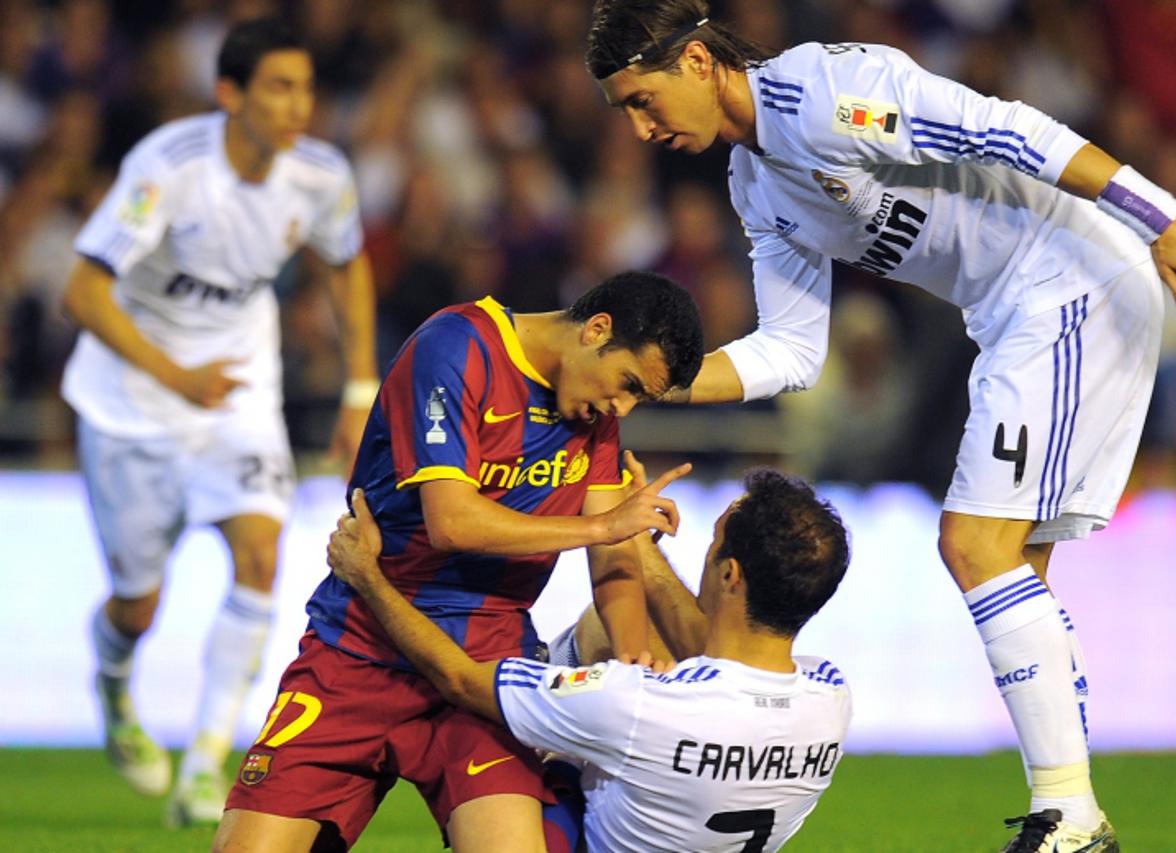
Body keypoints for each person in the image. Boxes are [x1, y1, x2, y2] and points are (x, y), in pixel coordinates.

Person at [584, 2, 1176, 850]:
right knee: (1013, 575)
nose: (641, 129)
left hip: (1070, 279)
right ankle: (1070, 812)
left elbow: (1003, 130)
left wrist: (1162, 214)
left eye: (641, 100)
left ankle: (1072, 820)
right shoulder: (757, 183)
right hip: (1020, 310)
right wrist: (648, 383)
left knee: (975, 545)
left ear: (694, 61)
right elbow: (791, 351)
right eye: (624, 114)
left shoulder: (824, 93)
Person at [213, 272, 705, 853]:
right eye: (625, 384)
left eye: (636, 399)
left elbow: (614, 557)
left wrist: (628, 653)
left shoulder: (593, 411)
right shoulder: (458, 345)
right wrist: (603, 524)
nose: (620, 406)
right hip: (363, 646)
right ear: (597, 330)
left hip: (486, 668)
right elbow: (451, 521)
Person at [59, 17, 377, 826]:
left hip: (236, 390)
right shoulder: (167, 168)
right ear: (229, 93)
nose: (297, 105)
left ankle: (206, 761)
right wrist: (172, 373)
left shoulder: (320, 174)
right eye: (277, 86)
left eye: (305, 86)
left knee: (261, 552)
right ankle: (116, 687)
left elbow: (347, 266)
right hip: (130, 402)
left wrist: (357, 389)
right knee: (138, 604)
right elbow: (84, 292)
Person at [325, 458, 853, 853]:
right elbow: (711, 647)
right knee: (616, 631)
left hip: (581, 814)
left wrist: (369, 579)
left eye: (715, 546)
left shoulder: (639, 705)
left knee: (477, 720)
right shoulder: (830, 697)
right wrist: (635, 539)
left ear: (730, 575)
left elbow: (460, 679)